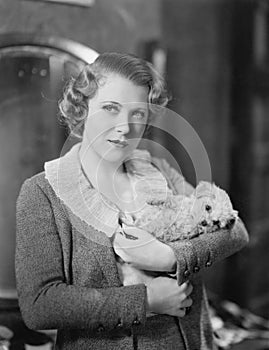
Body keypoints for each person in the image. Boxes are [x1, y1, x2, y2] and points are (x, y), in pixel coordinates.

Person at [15, 52, 249, 350]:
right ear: (82, 107)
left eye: (137, 113)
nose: (125, 127)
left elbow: (236, 229)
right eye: (110, 108)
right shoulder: (43, 192)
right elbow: (40, 305)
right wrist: (147, 300)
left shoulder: (158, 170)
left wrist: (170, 256)